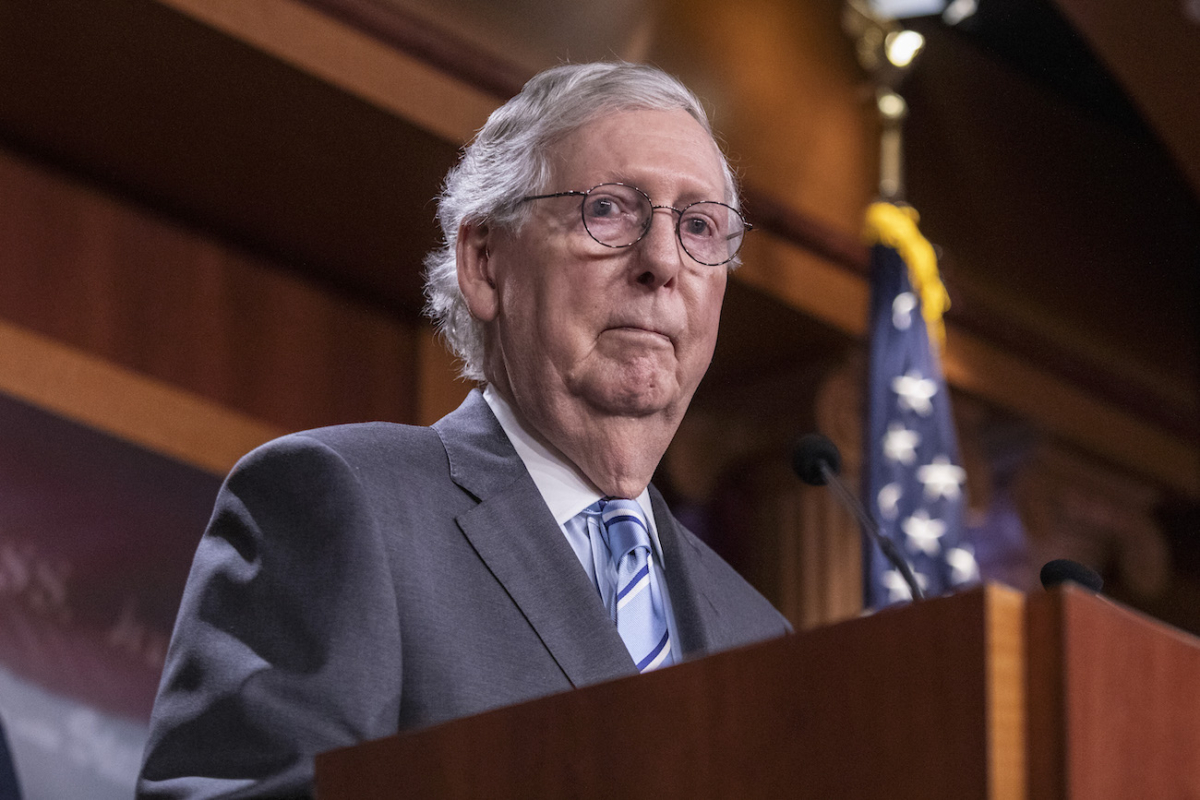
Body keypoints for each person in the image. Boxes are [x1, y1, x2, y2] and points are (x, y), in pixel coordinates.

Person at [137, 61, 791, 799]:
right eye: (609, 210)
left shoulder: (761, 638)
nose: (663, 262)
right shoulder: (346, 502)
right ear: (484, 263)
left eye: (699, 226)